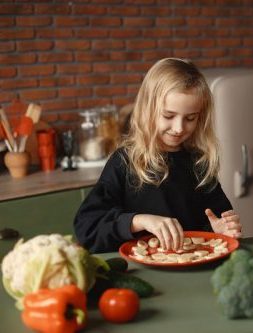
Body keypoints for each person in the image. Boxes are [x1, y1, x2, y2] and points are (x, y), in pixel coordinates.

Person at [74, 58, 242, 253]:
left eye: (190, 118)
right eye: (168, 116)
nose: (179, 128)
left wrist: (221, 230)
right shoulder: (124, 162)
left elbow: (217, 225)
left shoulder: (200, 163)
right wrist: (138, 220)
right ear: (148, 109)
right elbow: (88, 228)